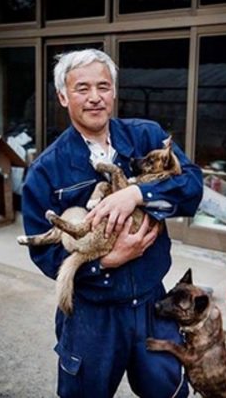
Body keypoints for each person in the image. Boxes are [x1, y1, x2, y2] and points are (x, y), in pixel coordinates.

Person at [20, 49, 203, 398]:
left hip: (152, 302)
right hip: (93, 313)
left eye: (103, 87)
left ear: (114, 92)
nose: (94, 98)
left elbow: (192, 187)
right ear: (63, 96)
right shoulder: (46, 170)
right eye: (82, 88)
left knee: (170, 390)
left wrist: (137, 196)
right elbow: (44, 256)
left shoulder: (145, 137)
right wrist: (107, 262)